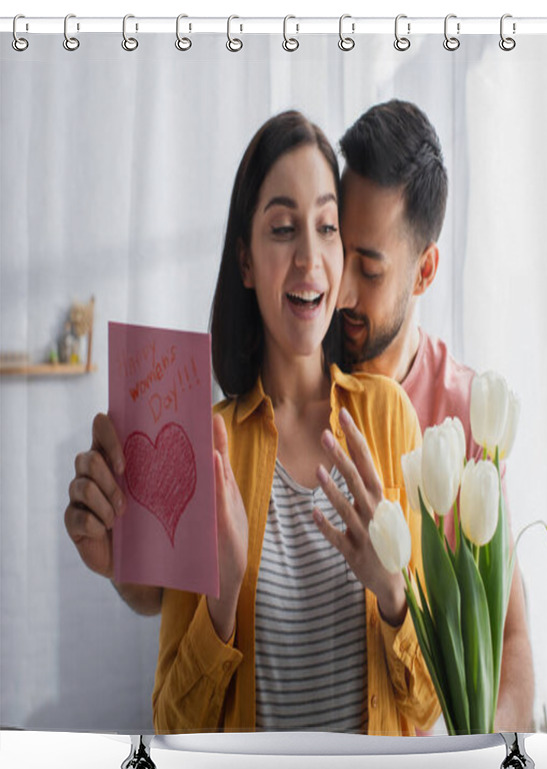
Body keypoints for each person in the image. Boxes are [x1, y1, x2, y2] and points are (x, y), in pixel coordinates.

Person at [64, 111, 438, 735]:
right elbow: (173, 725)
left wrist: (393, 593)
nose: (309, 257)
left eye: (326, 226)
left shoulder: (388, 417)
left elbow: (429, 706)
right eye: (284, 228)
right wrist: (221, 600)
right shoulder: (205, 445)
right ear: (245, 261)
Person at [336, 100, 535, 733]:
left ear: (424, 271)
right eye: (332, 249)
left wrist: (480, 764)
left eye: (367, 269)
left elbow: (511, 643)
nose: (338, 289)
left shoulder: (466, 418)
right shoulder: (294, 380)